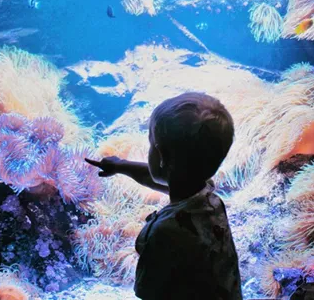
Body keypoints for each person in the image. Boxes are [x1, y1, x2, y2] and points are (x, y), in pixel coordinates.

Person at [86, 92, 242, 300]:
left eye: (151, 144)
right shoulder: (211, 199)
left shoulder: (165, 232)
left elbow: (147, 292)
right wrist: (121, 166)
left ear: (160, 156)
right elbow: (168, 177)